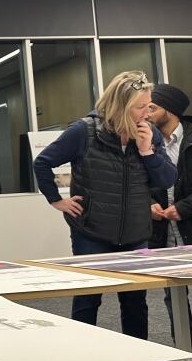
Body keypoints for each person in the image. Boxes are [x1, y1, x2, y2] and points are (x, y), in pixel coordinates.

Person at [33, 71, 176, 339]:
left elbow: (166, 178)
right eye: (140, 107)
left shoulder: (150, 134)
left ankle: (138, 357)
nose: (147, 113)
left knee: (135, 302)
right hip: (92, 231)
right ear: (120, 105)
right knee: (88, 300)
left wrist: (148, 152)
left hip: (135, 233)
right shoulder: (83, 131)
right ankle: (83, 354)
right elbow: (42, 162)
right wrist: (56, 200)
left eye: (149, 106)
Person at [147, 83, 192, 344]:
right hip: (164, 233)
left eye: (152, 107)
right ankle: (184, 349)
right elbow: (138, 183)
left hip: (189, 224)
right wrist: (148, 204)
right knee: (172, 294)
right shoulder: (144, 141)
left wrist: (184, 208)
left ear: (171, 111)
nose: (146, 113)